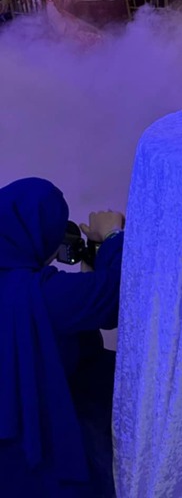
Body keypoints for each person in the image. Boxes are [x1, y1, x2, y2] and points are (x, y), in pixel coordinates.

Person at [0, 177, 124, 496]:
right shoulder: (45, 295)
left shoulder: (40, 294)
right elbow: (120, 295)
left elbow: (77, 312)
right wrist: (112, 236)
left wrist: (89, 265)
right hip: (38, 452)